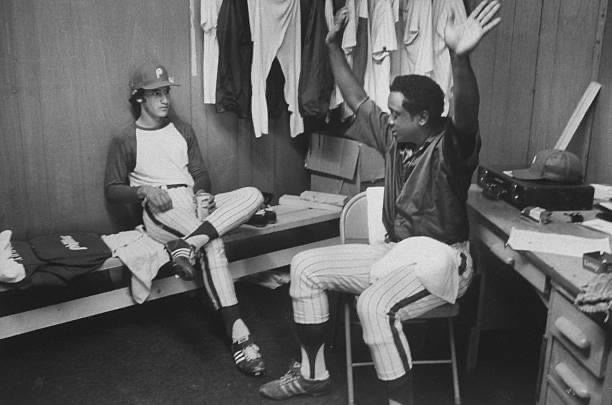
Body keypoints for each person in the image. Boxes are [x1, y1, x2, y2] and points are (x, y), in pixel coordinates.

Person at [259, 1, 501, 403]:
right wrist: (333, 47)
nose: (387, 119)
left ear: (422, 118)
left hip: (442, 263)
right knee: (304, 267)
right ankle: (313, 374)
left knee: (374, 305)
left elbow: (466, 113)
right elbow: (356, 98)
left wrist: (461, 59)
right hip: (396, 253)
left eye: (395, 114)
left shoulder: (451, 149)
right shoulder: (396, 136)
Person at [104, 62, 266, 377]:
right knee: (213, 241)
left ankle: (188, 244)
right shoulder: (126, 137)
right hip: (160, 208)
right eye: (155, 94)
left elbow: (199, 172)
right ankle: (238, 333)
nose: (164, 99)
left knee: (254, 194)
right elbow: (112, 190)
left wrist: (203, 194)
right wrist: (145, 191)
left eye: (166, 92)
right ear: (140, 97)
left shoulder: (182, 128)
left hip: (192, 204)